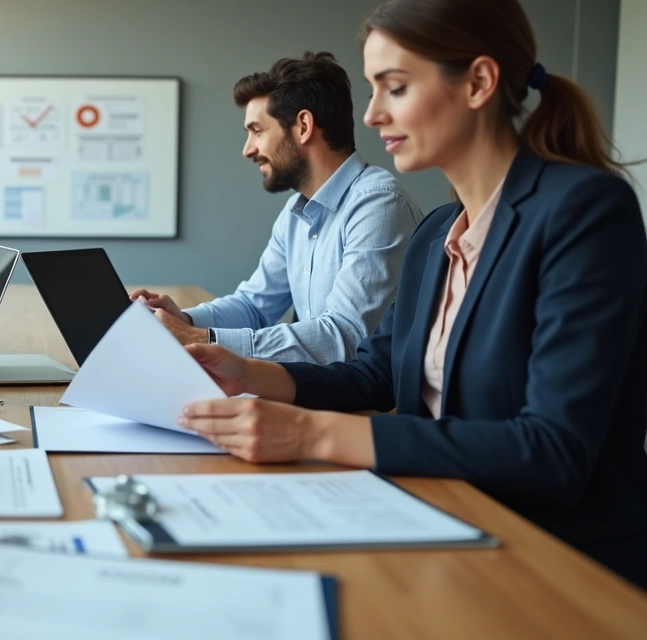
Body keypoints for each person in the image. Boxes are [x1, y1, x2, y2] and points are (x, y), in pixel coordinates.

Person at [177, 0, 647, 588]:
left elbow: (551, 449)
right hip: (434, 521)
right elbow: (373, 373)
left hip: (554, 561)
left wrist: (307, 432)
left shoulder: (584, 212)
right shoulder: (435, 232)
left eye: (393, 88)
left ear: (478, 82)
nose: (372, 115)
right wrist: (247, 373)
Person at [132, 51, 422, 365]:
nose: (248, 150)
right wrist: (184, 321)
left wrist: (201, 339)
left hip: (373, 408)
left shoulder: (378, 204)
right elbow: (254, 307)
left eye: (257, 131)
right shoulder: (296, 213)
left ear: (303, 126)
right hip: (322, 396)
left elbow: (345, 338)